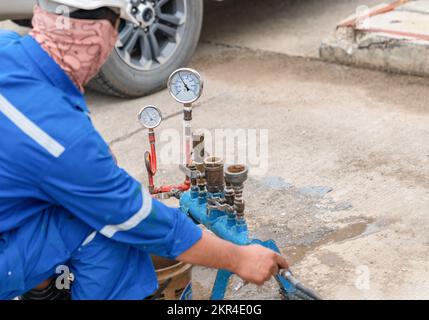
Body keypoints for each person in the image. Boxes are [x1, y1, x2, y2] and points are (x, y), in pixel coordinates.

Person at [0, 0, 288, 300]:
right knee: (103, 228)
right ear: (102, 32)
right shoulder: (62, 139)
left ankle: (41, 288)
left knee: (70, 199)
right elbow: (134, 217)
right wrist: (239, 258)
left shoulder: (6, 48)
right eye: (119, 26)